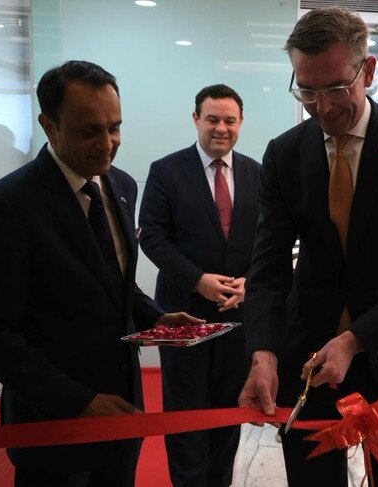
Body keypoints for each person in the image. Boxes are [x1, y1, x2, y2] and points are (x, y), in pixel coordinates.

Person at [237, 7, 378, 487]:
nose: (322, 106)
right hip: (308, 365)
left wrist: (355, 340)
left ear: (367, 71)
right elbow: (268, 268)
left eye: (335, 88)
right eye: (306, 90)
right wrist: (264, 353)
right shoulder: (285, 154)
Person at [0, 60, 202, 487]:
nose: (107, 143)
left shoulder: (122, 186)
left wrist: (156, 318)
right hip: (54, 428)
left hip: (122, 417)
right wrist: (78, 401)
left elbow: (113, 283)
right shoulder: (7, 206)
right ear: (48, 125)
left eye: (114, 127)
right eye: (89, 130)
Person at [138, 84, 260, 487]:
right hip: (182, 314)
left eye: (229, 120)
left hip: (236, 318)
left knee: (227, 413)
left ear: (241, 123)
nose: (221, 128)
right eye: (212, 119)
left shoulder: (256, 173)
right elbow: (152, 237)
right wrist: (198, 281)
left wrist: (249, 283)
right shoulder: (166, 171)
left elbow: (269, 240)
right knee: (185, 416)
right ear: (196, 120)